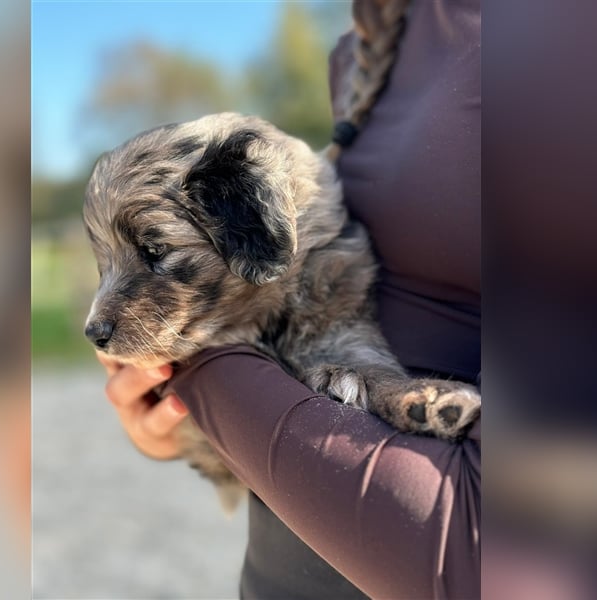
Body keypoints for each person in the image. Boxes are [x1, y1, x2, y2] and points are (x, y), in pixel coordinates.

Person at [98, 0, 480, 597]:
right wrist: (182, 431)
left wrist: (207, 380)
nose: (100, 314)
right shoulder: (365, 44)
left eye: (152, 252)